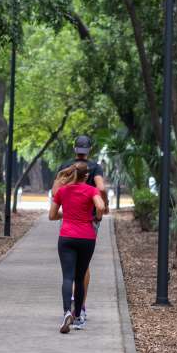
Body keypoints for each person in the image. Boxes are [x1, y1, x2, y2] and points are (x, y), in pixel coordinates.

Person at [54, 135, 109, 326]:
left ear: (74, 148)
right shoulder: (94, 167)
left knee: (68, 271)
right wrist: (103, 208)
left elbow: (55, 193)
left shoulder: (66, 165)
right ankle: (81, 308)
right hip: (89, 221)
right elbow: (101, 188)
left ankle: (68, 310)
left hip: (69, 222)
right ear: (90, 149)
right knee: (83, 269)